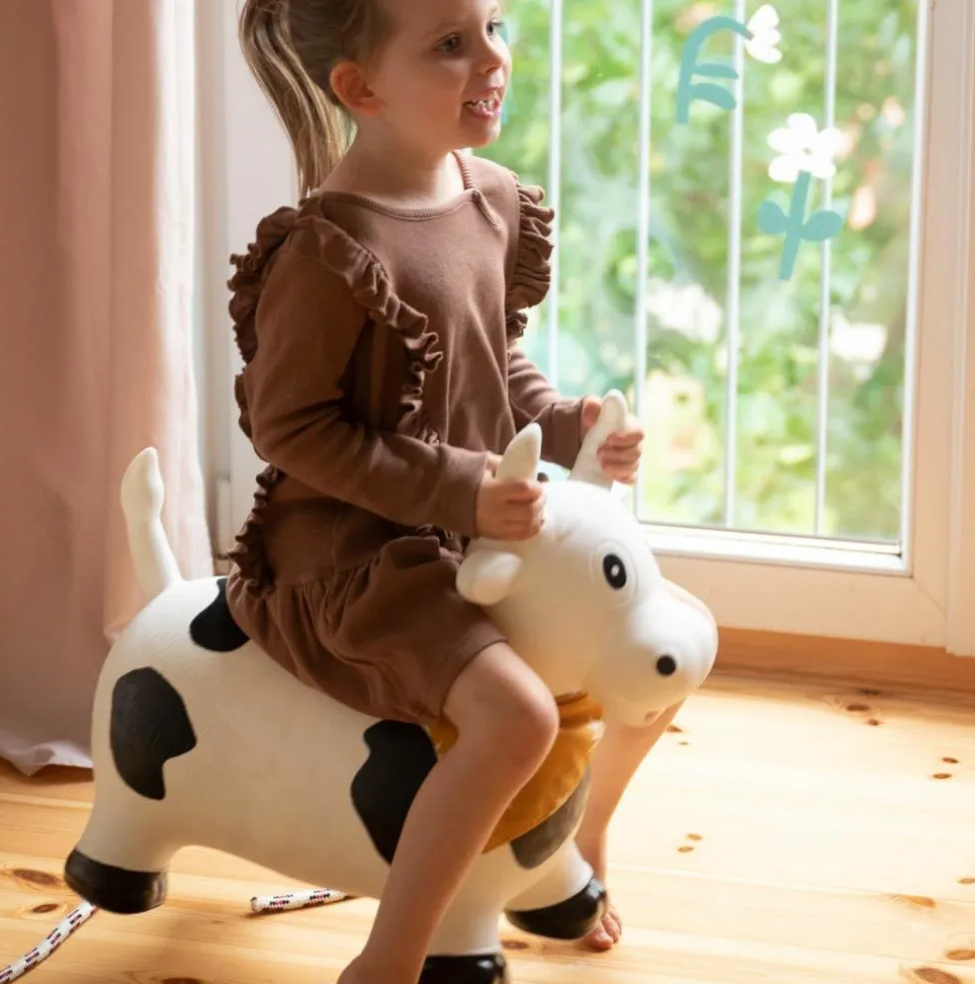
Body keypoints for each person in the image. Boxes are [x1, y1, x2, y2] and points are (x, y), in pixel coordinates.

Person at [225, 0, 692, 980]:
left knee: (664, 640)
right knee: (519, 716)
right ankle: (390, 959)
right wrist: (462, 489)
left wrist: (566, 424)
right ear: (361, 88)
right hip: (356, 557)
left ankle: (575, 847)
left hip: (470, 528)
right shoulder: (328, 251)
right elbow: (291, 430)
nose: (491, 58)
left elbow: (491, 367)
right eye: (450, 44)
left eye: (495, 26)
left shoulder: (493, 199)